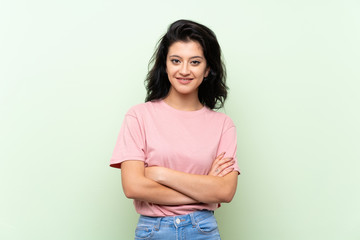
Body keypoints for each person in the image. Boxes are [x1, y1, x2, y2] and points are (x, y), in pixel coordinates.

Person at [110, 19, 239, 240]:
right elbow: (133, 187)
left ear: (208, 69)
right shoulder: (139, 116)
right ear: (165, 65)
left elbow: (225, 192)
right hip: (153, 231)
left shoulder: (223, 125)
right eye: (176, 60)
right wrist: (205, 190)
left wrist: (159, 173)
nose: (184, 70)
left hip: (203, 231)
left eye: (195, 62)